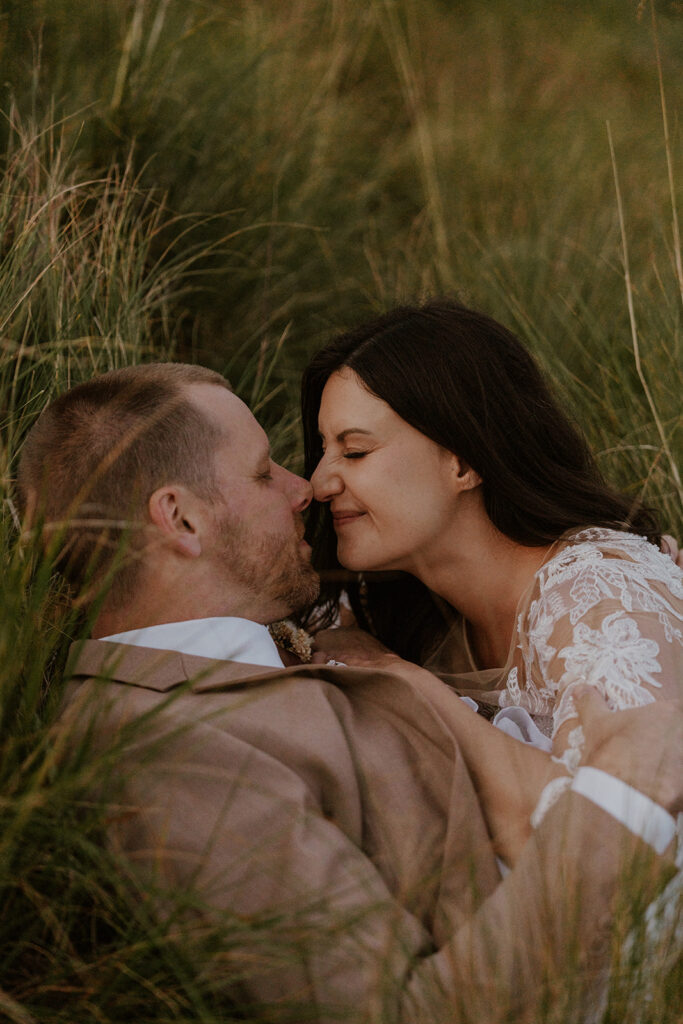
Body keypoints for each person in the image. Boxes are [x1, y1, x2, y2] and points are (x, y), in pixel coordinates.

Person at [17, 363, 681, 1023]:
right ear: (181, 519)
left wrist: (647, 593)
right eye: (262, 472)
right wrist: (622, 794)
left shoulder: (266, 637)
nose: (302, 488)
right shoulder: (163, 758)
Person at [303, 300, 683, 823]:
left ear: (464, 461)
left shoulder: (598, 599)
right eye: (322, 449)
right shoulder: (398, 608)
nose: (320, 483)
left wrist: (410, 687)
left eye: (356, 451)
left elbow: (626, 840)